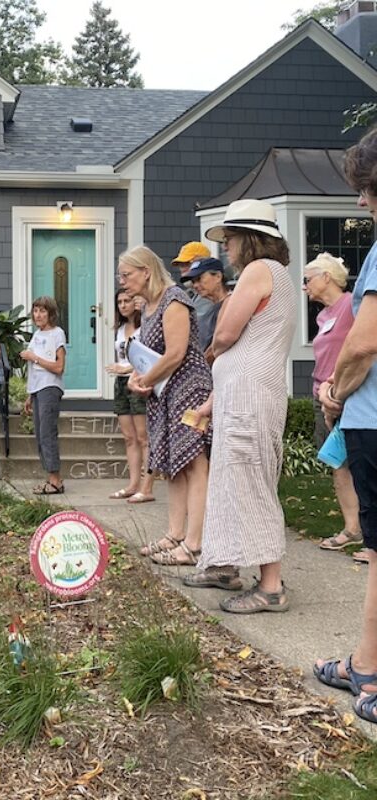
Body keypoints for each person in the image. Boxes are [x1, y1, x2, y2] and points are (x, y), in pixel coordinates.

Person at [186, 199, 296, 611]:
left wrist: (213, 349)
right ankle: (224, 564)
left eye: (229, 240)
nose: (225, 249)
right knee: (232, 481)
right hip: (246, 393)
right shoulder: (276, 274)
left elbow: (228, 333)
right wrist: (211, 402)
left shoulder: (259, 270)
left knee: (250, 481)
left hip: (250, 396)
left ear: (250, 240)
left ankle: (271, 587)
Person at [314, 127, 377, 724]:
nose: (361, 201)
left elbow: (364, 343)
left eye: (365, 189)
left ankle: (368, 669)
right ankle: (364, 662)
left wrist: (336, 390)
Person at [123, 246, 212, 567]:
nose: (123, 281)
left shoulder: (175, 300)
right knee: (174, 464)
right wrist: (137, 376)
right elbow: (148, 353)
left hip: (190, 392)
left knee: (195, 463)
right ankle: (174, 535)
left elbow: (175, 353)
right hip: (164, 394)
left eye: (127, 274)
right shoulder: (148, 306)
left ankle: (195, 544)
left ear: (146, 271)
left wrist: (145, 379)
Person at [302, 253, 362, 560]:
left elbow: (360, 349)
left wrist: (337, 388)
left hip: (349, 395)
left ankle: (368, 533)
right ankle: (352, 529)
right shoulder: (323, 316)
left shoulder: (352, 305)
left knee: (362, 464)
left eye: (307, 279)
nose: (304, 287)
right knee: (338, 464)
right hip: (322, 396)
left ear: (327, 277)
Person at [106, 289, 155, 503]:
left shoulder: (144, 326)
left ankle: (147, 486)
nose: (123, 305)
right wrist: (119, 370)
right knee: (129, 437)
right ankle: (133, 483)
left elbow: (147, 359)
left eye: (127, 301)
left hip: (139, 381)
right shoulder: (120, 329)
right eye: (119, 302)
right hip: (121, 384)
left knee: (143, 437)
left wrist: (126, 370)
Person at [19, 295, 66, 495]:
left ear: (51, 313)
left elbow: (59, 367)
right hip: (38, 390)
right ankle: (50, 478)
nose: (38, 315)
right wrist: (30, 395)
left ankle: (56, 481)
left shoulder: (57, 334)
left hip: (50, 388)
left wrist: (34, 358)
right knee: (40, 435)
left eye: (43, 311)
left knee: (47, 434)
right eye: (36, 311)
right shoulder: (36, 335)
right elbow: (33, 370)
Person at [179, 257, 231, 356]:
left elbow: (218, 345)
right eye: (193, 281)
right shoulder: (211, 308)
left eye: (199, 279)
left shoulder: (230, 305)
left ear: (218, 276)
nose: (195, 285)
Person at [172, 241, 215, 333]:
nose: (182, 269)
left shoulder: (208, 295)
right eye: (180, 265)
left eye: (186, 264)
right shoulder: (191, 293)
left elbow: (193, 328)